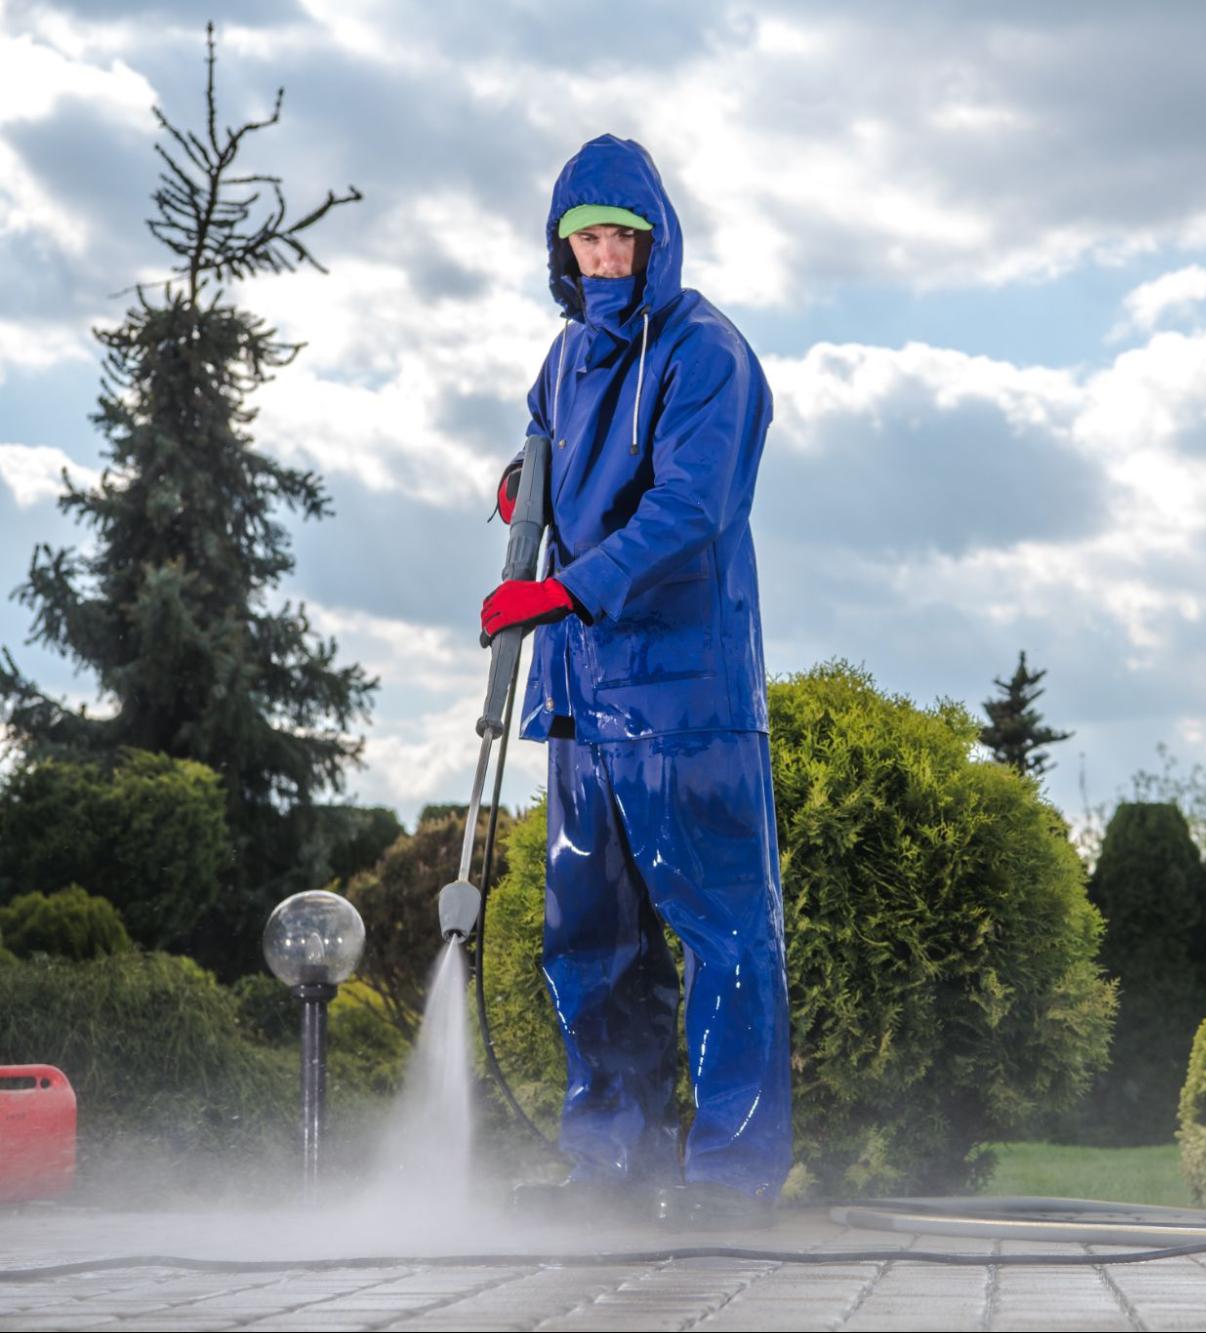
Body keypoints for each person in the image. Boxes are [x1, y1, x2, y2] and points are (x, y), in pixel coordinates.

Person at [480, 133, 790, 1229]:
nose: (605, 258)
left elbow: (689, 510)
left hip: (683, 692)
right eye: (587, 241)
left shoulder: (708, 353)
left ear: (656, 242)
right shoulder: (563, 360)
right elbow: (545, 456)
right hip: (580, 695)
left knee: (723, 933)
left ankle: (732, 1178)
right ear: (561, 251)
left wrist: (564, 590)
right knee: (590, 937)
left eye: (622, 238)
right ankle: (613, 1163)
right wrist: (520, 484)